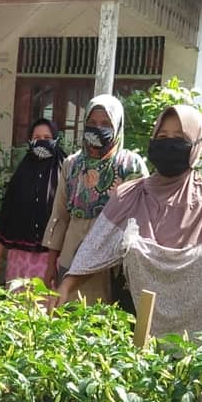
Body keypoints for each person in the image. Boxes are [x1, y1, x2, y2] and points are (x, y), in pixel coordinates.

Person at [57, 104, 202, 342]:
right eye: (162, 136)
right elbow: (93, 249)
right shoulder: (130, 195)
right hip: (136, 327)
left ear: (196, 145)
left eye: (180, 138)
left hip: (197, 340)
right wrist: (65, 288)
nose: (169, 143)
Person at [41, 94, 148, 303]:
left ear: (117, 125)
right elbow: (60, 216)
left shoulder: (130, 166)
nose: (97, 128)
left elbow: (144, 220)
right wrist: (50, 264)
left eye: (106, 123)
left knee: (104, 324)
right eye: (91, 123)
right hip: (71, 257)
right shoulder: (72, 165)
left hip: (111, 263)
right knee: (69, 320)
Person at [0, 118, 66, 287]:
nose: (42, 142)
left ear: (56, 140)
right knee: (18, 309)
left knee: (48, 310)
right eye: (37, 137)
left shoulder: (67, 172)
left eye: (47, 138)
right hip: (20, 260)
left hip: (53, 259)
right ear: (30, 141)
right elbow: (6, 218)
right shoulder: (21, 175)